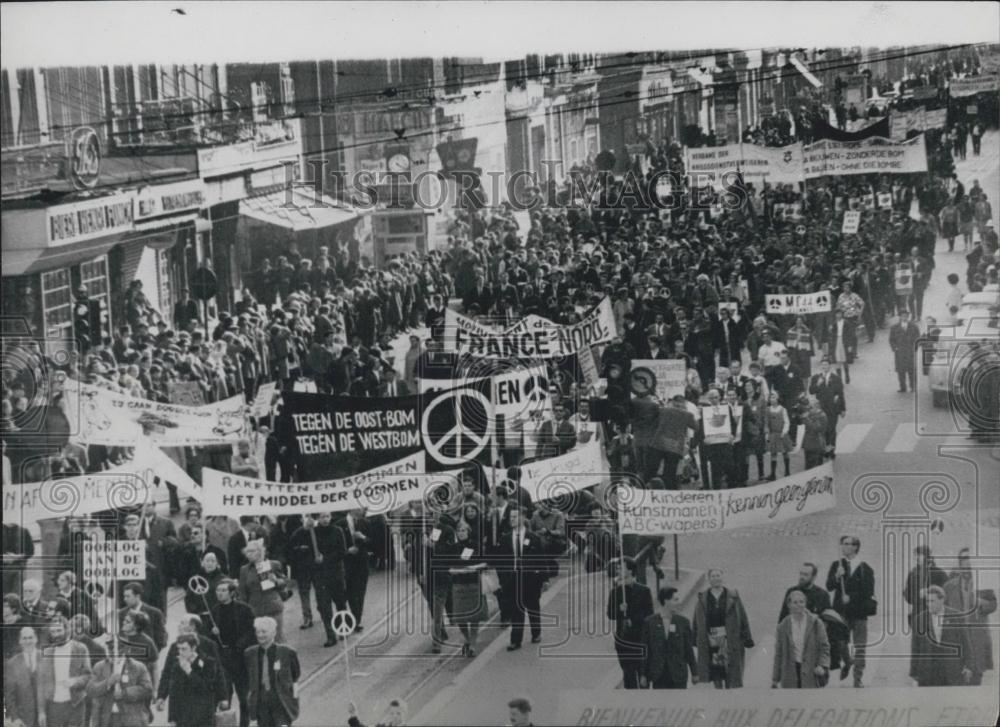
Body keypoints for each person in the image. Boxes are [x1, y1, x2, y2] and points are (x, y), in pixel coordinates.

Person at [291, 513, 348, 647]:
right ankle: (330, 635)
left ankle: (342, 628)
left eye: (327, 516)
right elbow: (295, 542)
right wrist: (305, 528)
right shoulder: (312, 532)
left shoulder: (337, 531)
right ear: (318, 519)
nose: (325, 519)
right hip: (320, 576)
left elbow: (342, 552)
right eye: (322, 517)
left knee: (340, 603)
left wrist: (326, 559)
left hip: (336, 574)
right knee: (324, 607)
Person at [826, 535, 875, 687]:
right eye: (843, 544)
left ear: (855, 547)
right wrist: (836, 576)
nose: (844, 547)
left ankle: (857, 679)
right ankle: (847, 662)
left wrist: (851, 597)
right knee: (839, 642)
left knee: (860, 647)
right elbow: (829, 586)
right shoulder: (837, 564)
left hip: (859, 613)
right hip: (841, 612)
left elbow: (868, 591)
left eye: (847, 544)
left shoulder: (865, 568)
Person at [943, 547, 997, 685]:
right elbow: (942, 613)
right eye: (963, 559)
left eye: (969, 558)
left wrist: (981, 603)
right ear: (959, 562)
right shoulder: (949, 586)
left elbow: (993, 604)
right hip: (956, 638)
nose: (967, 562)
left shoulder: (983, 583)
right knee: (955, 677)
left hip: (976, 638)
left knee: (975, 679)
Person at [693, 568, 754, 689]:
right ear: (709, 579)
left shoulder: (733, 596)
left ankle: (729, 693)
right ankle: (719, 693)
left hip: (729, 639)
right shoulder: (703, 598)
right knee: (716, 670)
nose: (716, 578)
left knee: (730, 670)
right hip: (712, 640)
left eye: (718, 575)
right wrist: (695, 638)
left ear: (722, 577)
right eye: (713, 576)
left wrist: (747, 637)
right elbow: (696, 620)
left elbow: (742, 617)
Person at [210, 578, 257, 727]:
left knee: (244, 697)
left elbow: (251, 631)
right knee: (225, 697)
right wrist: (213, 633)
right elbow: (209, 636)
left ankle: (244, 724)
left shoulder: (244, 609)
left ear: (231, 593)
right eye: (218, 591)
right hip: (223, 658)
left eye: (223, 591)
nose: (220, 594)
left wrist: (239, 645)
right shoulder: (214, 611)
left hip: (241, 658)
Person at [500, 506, 547, 651]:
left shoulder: (533, 538)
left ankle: (536, 632)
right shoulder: (506, 538)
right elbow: (502, 560)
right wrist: (504, 578)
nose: (512, 520)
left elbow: (541, 559)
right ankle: (516, 640)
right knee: (516, 610)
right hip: (513, 578)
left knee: (533, 607)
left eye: (515, 517)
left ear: (522, 517)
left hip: (530, 578)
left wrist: (544, 579)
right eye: (510, 517)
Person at [910, 585, 975, 686]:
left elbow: (966, 643)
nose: (929, 604)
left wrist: (969, 667)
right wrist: (914, 673)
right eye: (927, 601)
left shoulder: (956, 617)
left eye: (932, 601)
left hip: (952, 671)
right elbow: (915, 647)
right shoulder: (919, 619)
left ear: (942, 600)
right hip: (928, 672)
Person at [158, 633, 226, 727]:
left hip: (203, 717)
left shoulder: (208, 662)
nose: (180, 652)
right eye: (179, 649)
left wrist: (189, 671)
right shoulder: (177, 666)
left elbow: (206, 688)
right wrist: (172, 718)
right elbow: (174, 693)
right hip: (183, 717)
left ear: (193, 648)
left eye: (184, 649)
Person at [607, 556, 654, 689]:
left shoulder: (644, 591)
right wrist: (620, 610)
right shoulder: (615, 592)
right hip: (623, 640)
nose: (618, 569)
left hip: (640, 639)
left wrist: (633, 618)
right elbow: (610, 614)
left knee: (643, 676)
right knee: (628, 677)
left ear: (630, 570)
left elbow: (649, 614)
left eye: (621, 567)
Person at [245, 616, 300, 727]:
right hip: (261, 704)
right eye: (257, 631)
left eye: (263, 631)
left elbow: (295, 677)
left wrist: (294, 700)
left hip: (281, 704)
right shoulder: (249, 653)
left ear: (273, 633)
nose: (260, 635)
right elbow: (248, 677)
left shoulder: (287, 652)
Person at [640, 586, 697, 689]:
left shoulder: (683, 622)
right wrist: (643, 674)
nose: (678, 602)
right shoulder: (650, 622)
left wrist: (695, 672)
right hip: (659, 674)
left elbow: (689, 649)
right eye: (675, 600)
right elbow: (645, 650)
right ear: (666, 601)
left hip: (678, 674)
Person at [772, 590, 831, 689]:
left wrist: (821, 665)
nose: (799, 605)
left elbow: (824, 647)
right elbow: (779, 654)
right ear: (789, 605)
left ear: (805, 603)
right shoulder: (782, 626)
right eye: (795, 602)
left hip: (811, 673)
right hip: (789, 675)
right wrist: (775, 679)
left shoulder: (816, 623)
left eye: (801, 602)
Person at [39, 616, 92, 727]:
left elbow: (88, 675)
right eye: (53, 632)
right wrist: (42, 711)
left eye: (59, 630)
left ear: (67, 630)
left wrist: (75, 681)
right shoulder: (47, 653)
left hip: (75, 705)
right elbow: (41, 685)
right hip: (53, 707)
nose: (56, 634)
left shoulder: (80, 649)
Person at [238, 538, 288, 643]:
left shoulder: (273, 564)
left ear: (260, 551)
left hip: (273, 607)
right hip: (255, 610)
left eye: (252, 551)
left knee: (278, 638)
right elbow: (242, 592)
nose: (249, 554)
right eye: (248, 551)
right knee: (262, 640)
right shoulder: (244, 570)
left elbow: (284, 582)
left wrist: (276, 581)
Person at [86, 649, 154, 727]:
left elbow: (147, 690)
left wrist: (125, 693)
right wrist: (108, 682)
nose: (114, 650)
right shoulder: (99, 666)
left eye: (118, 647)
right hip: (106, 720)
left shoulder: (138, 667)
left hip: (130, 720)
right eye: (110, 646)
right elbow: (90, 690)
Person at [336, 509, 371, 633]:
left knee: (360, 593)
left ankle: (357, 620)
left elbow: (374, 543)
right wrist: (347, 551)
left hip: (362, 563)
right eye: (360, 507)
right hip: (348, 564)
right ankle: (353, 620)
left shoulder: (365, 522)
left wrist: (364, 537)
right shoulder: (339, 524)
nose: (363, 510)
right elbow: (336, 546)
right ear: (352, 508)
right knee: (351, 593)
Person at [4, 626, 44, 727]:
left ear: (36, 639)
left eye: (30, 637)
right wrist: (15, 717)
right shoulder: (12, 664)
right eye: (24, 638)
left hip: (46, 716)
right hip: (24, 719)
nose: (28, 641)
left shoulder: (46, 658)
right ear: (20, 641)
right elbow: (9, 694)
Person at [902, 545, 948, 626]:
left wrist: (930, 593)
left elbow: (946, 593)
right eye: (915, 555)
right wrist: (917, 594)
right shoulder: (912, 574)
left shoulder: (939, 573)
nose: (916, 558)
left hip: (935, 614)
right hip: (917, 615)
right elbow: (908, 597)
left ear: (927, 556)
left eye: (919, 555)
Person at [809, 358, 845, 458]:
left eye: (826, 365)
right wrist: (818, 384)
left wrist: (843, 409)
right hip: (821, 408)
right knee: (823, 430)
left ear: (830, 366)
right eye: (823, 365)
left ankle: (832, 450)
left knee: (832, 429)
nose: (824, 367)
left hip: (833, 408)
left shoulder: (836, 378)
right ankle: (824, 449)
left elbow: (840, 394)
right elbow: (811, 391)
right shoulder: (816, 378)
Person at [117, 582, 167, 651]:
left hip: (148, 656)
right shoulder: (121, 613)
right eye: (124, 596)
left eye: (128, 596)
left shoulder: (154, 613)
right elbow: (121, 636)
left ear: (137, 596)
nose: (124, 599)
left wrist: (153, 652)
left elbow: (161, 637)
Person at [889, 310, 921, 393]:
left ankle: (913, 387)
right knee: (900, 370)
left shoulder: (913, 327)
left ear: (908, 317)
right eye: (903, 316)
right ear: (900, 317)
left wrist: (915, 347)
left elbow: (918, 338)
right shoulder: (894, 327)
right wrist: (894, 348)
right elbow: (891, 340)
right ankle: (903, 387)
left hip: (910, 351)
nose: (904, 318)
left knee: (912, 370)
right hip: (899, 352)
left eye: (906, 316)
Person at [763, 391, 792, 480]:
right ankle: (773, 474)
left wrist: (784, 431)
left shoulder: (783, 409)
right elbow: (766, 422)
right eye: (770, 398)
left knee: (784, 452)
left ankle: (787, 471)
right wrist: (767, 432)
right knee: (773, 453)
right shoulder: (768, 410)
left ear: (778, 398)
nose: (772, 399)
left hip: (781, 434)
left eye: (774, 397)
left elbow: (787, 422)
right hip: (773, 434)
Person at [800, 396, 828, 470]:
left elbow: (816, 428)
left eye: (810, 407)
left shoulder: (822, 416)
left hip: (817, 443)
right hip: (808, 443)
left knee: (816, 467)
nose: (808, 409)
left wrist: (807, 419)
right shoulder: (810, 414)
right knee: (808, 466)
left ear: (817, 406)